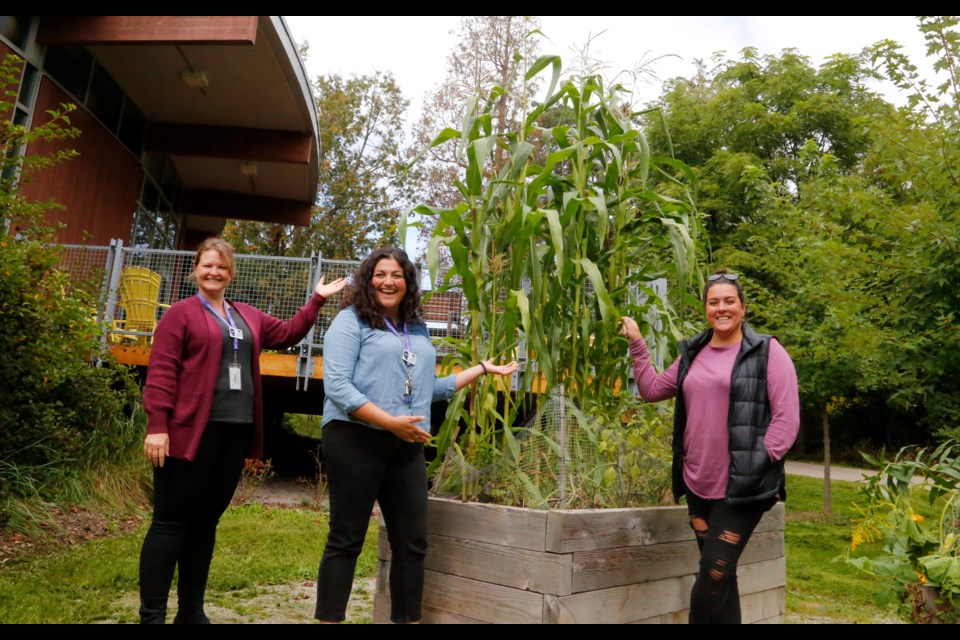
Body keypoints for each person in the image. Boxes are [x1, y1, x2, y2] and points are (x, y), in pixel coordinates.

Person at [138, 237, 346, 624]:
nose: (213, 272)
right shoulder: (180, 315)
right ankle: (152, 615)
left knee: (205, 523)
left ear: (230, 273)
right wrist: (157, 426)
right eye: (207, 266)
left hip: (233, 433)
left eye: (221, 267)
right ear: (195, 270)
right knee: (170, 523)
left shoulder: (246, 316)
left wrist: (315, 299)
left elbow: (286, 334)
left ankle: (191, 612)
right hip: (186, 434)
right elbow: (162, 373)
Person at [314, 247, 518, 624]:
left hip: (405, 442)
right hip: (355, 437)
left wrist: (482, 370)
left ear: (408, 283)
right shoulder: (351, 321)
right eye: (380, 274)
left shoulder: (417, 328)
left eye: (397, 275)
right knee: (346, 538)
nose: (388, 281)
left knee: (412, 542)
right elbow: (338, 387)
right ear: (368, 280)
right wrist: (389, 422)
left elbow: (428, 389)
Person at [620, 269, 799, 624]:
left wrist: (758, 463)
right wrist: (637, 344)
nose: (722, 308)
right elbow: (652, 390)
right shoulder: (694, 353)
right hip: (698, 483)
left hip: (742, 489)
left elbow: (786, 420)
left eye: (729, 301)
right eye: (713, 302)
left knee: (713, 574)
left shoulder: (767, 351)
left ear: (743, 307)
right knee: (722, 575)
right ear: (705, 308)